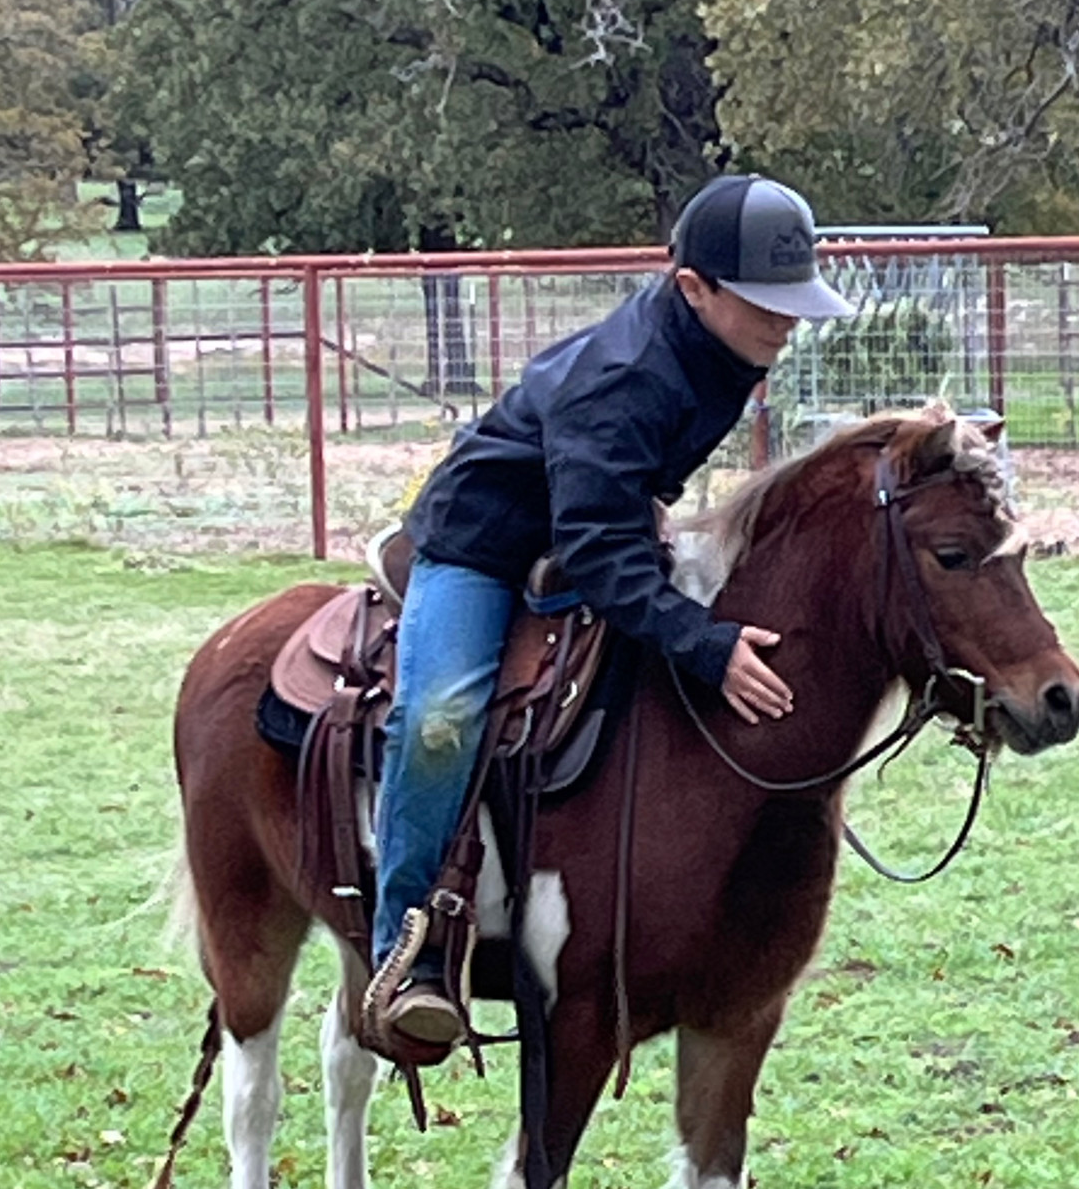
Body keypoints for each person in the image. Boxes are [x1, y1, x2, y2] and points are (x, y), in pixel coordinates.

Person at [362, 172, 854, 1059]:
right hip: (482, 545)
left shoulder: (730, 350)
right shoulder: (625, 374)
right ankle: (404, 949)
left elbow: (616, 501)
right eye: (765, 303)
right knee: (437, 719)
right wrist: (703, 642)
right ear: (692, 288)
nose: (786, 323)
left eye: (793, 302)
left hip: (588, 520)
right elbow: (597, 555)